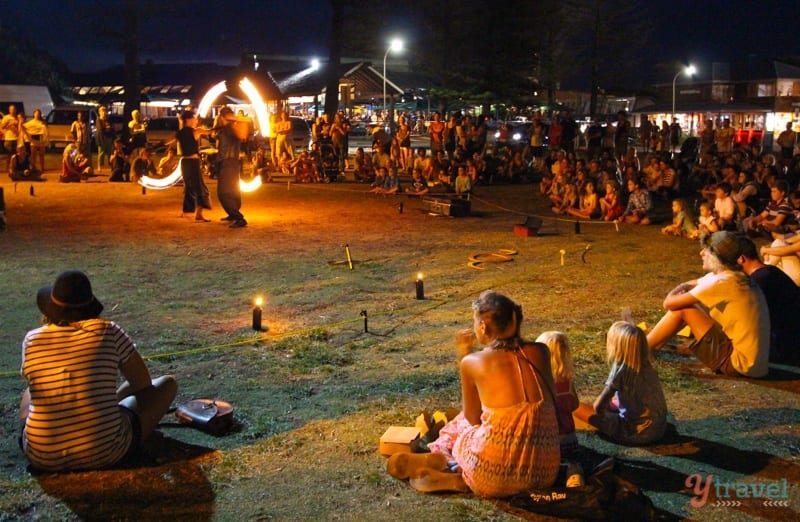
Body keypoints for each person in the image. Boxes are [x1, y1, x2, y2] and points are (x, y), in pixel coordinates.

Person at [391, 291, 559, 497]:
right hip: (545, 473)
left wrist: (465, 355)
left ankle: (446, 461)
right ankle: (449, 465)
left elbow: (473, 418)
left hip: (492, 476)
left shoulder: (472, 362)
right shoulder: (542, 351)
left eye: (474, 322)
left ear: (483, 326)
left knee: (460, 425)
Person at [19, 270, 177, 471]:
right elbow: (143, 383)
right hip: (106, 451)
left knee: (28, 393)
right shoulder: (108, 331)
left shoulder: (31, 339)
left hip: (42, 457)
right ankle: (106, 424)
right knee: (167, 384)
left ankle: (42, 436)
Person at [646, 231, 770, 378]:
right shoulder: (732, 276)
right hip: (755, 365)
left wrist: (680, 287)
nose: (701, 253)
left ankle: (641, 350)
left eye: (707, 250)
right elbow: (696, 283)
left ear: (718, 257)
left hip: (737, 364)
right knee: (696, 305)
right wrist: (685, 286)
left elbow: (669, 303)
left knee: (684, 309)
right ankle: (651, 347)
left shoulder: (723, 282)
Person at [574, 321, 668, 445]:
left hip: (635, 432)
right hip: (659, 429)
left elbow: (598, 407)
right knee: (614, 402)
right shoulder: (647, 365)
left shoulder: (621, 370)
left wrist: (603, 416)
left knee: (575, 405)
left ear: (617, 347)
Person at [738, 237, 800, 366]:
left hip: (783, 349)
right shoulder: (769, 273)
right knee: (779, 242)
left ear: (741, 259)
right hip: (789, 342)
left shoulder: (757, 282)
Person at [536, 331, 579, 457]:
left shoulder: (540, 384)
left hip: (548, 442)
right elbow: (575, 405)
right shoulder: (568, 383)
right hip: (570, 441)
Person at [175, 110, 211, 222]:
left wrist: (152, 149)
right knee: (200, 188)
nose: (196, 120)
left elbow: (167, 141)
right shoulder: (196, 131)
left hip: (184, 163)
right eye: (194, 118)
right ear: (188, 119)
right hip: (193, 163)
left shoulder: (179, 133)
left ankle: (186, 211)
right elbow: (210, 131)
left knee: (189, 187)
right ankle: (199, 214)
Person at [214, 107, 247, 228]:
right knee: (233, 190)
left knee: (224, 192)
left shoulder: (231, 127)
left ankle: (239, 217)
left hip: (228, 162)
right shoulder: (225, 128)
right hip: (228, 162)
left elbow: (243, 135)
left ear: (223, 117)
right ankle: (233, 213)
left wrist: (236, 119)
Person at [23, 109, 48, 173]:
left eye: (38, 114)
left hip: (41, 138)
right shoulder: (31, 122)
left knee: (41, 155)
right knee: (33, 155)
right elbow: (24, 127)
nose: (37, 115)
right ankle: (33, 167)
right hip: (33, 139)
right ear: (34, 114)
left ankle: (42, 168)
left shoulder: (42, 122)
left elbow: (45, 131)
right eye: (36, 113)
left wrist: (45, 139)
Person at [2, 104, 21, 169]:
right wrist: (9, 124)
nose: (13, 111)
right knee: (9, 154)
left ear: (16, 110)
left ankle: (14, 167)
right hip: (9, 138)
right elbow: (2, 126)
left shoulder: (17, 117)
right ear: (9, 110)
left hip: (16, 138)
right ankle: (7, 168)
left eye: (14, 109)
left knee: (15, 154)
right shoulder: (6, 117)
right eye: (11, 109)